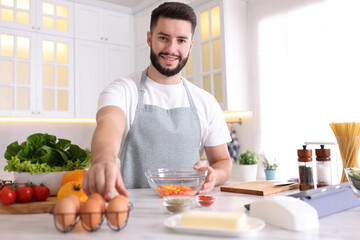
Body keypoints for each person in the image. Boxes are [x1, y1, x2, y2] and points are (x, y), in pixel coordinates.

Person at [82, 2, 232, 201]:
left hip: (188, 215)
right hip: (133, 216)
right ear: (149, 38)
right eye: (163, 38)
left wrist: (215, 175)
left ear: (190, 45)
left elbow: (222, 162)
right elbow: (109, 125)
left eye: (181, 40)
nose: (172, 49)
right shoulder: (123, 90)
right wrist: (103, 159)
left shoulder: (205, 101)